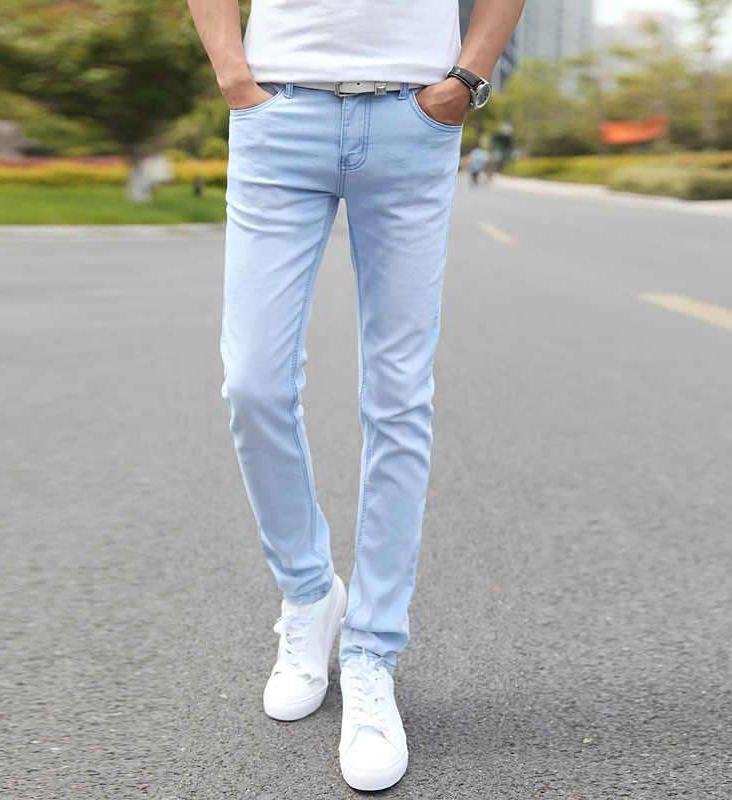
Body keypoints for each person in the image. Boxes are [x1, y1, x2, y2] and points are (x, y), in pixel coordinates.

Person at [186, 0, 525, 790]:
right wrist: (234, 75)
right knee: (254, 382)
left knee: (398, 396)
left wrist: (468, 79)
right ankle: (310, 594)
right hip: (280, 113)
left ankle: (373, 650)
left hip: (416, 115)